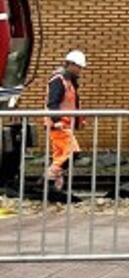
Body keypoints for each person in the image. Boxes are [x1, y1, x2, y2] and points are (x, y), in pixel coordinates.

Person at [45, 50, 86, 190]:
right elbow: (53, 103)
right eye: (79, 67)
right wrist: (57, 120)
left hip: (65, 125)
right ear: (71, 65)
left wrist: (80, 120)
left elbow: (72, 103)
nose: (80, 70)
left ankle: (53, 186)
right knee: (72, 153)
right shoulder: (59, 80)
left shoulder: (69, 82)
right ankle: (49, 178)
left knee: (61, 156)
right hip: (59, 125)